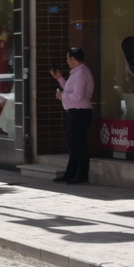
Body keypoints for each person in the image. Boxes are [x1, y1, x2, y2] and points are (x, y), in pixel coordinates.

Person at [50, 47, 94, 185]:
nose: (67, 61)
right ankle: (71, 173)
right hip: (75, 111)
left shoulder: (81, 74)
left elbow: (77, 96)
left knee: (79, 144)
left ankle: (81, 175)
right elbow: (71, 90)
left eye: (68, 58)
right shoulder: (77, 73)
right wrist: (60, 78)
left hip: (79, 112)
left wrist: (61, 95)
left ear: (73, 59)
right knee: (73, 144)